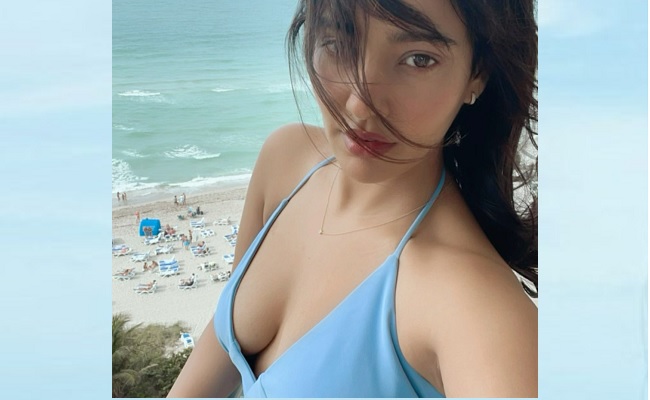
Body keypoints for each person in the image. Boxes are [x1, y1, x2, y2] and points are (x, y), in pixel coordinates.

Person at [168, 0, 537, 398]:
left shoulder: (474, 304)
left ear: (477, 73)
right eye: (338, 44)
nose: (360, 105)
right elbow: (218, 350)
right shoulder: (286, 160)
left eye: (418, 59)